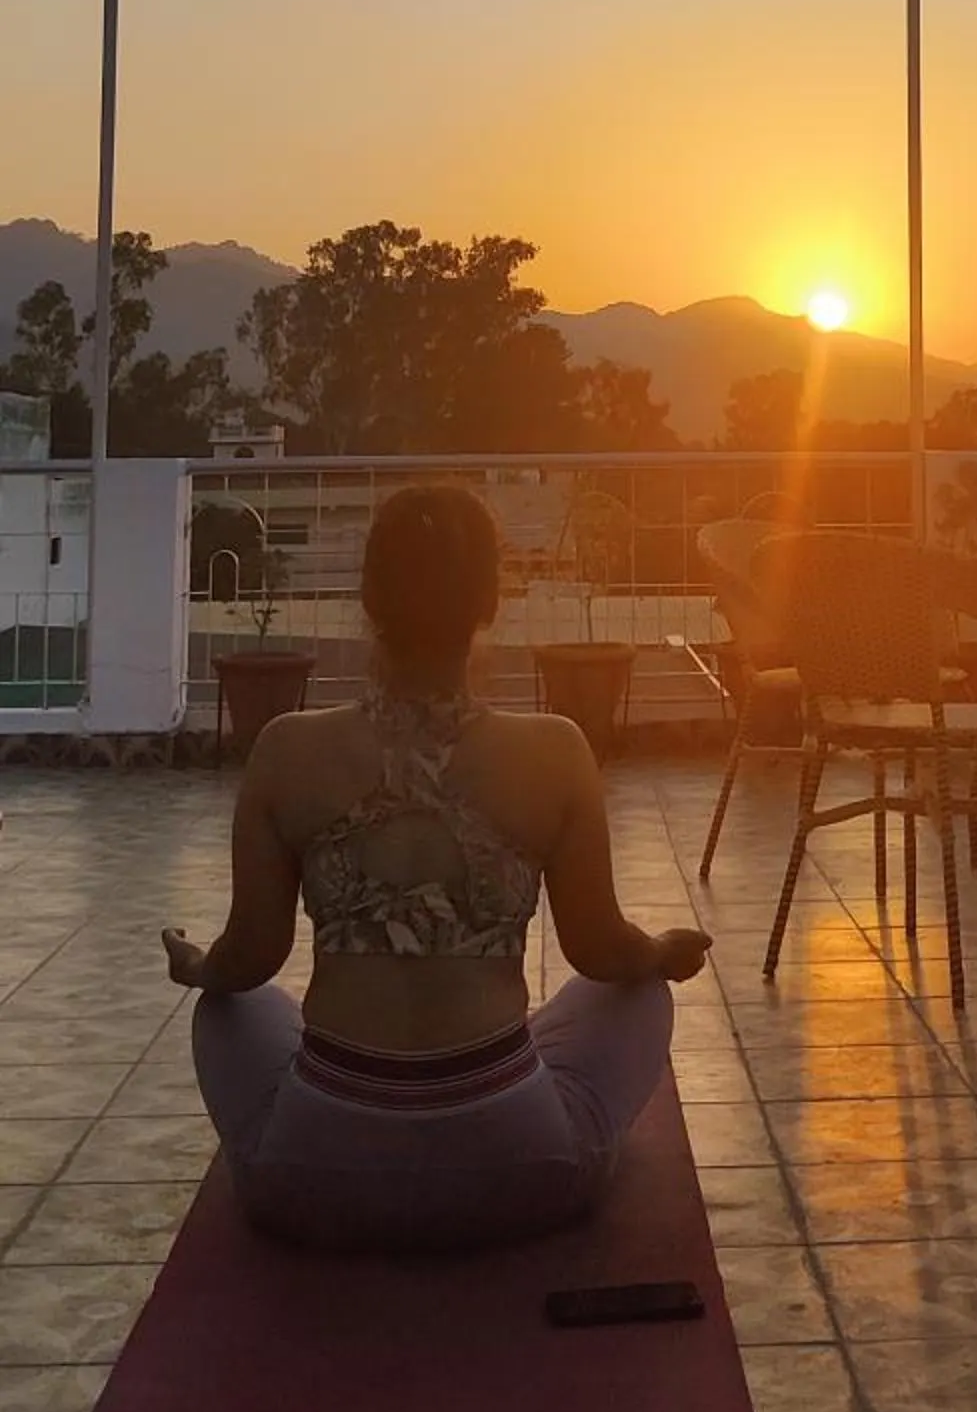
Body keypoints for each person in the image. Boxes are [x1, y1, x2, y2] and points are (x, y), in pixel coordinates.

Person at [164, 483, 711, 1250]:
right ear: (489, 603)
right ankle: (504, 1084)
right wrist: (658, 953)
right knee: (638, 996)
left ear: (369, 600)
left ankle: (339, 1110)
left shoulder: (286, 749)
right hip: (515, 1170)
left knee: (229, 1009)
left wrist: (197, 967)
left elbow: (249, 960)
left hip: (313, 1179)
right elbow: (599, 950)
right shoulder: (555, 751)